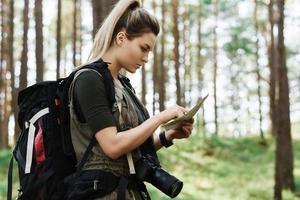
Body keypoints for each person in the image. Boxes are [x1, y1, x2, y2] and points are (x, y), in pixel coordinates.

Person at [67, 0, 194, 199]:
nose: (146, 58)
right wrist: (161, 117)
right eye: (143, 48)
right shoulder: (89, 78)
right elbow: (113, 146)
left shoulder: (123, 85)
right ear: (121, 38)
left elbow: (131, 149)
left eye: (149, 51)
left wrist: (167, 136)